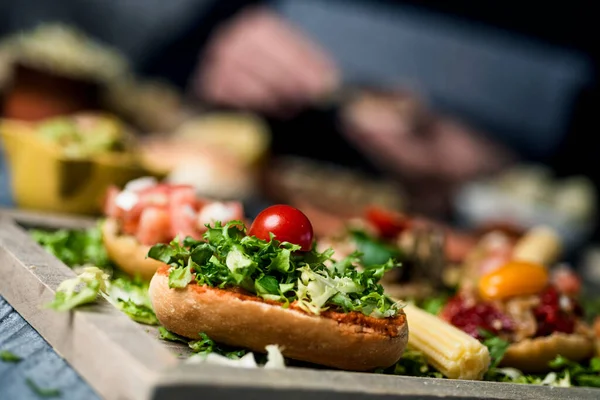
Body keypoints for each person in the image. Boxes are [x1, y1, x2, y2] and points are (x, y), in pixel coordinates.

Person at [1, 0, 598, 215]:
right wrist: (217, 34)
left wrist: (483, 168)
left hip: (444, 220)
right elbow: (157, 55)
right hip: (198, 174)